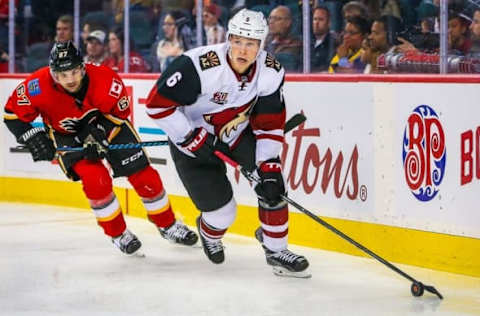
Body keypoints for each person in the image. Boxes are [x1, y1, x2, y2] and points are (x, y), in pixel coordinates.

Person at [145, 8, 310, 278]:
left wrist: (268, 164)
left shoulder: (270, 71)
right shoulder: (198, 65)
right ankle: (209, 233)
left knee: (273, 187)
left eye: (251, 43)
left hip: (236, 134)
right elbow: (156, 106)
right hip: (192, 145)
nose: (242, 50)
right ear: (229, 38)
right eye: (238, 41)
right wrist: (189, 136)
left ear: (261, 44)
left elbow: (269, 125)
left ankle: (276, 250)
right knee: (223, 215)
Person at [3, 41, 198, 256]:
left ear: (83, 67)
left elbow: (119, 116)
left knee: (145, 177)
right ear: (53, 74)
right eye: (62, 74)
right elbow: (12, 115)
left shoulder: (106, 79)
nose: (69, 80)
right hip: (66, 136)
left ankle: (168, 225)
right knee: (96, 181)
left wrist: (99, 135)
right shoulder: (37, 85)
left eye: (74, 72)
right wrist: (33, 136)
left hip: (109, 127)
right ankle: (118, 234)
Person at [264, 5, 302, 72]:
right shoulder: (264, 42)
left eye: (277, 19)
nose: (271, 22)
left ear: (288, 22)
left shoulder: (295, 44)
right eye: (270, 18)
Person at [311, 5, 338, 72]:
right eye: (315, 19)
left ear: (329, 23)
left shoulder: (334, 44)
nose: (316, 23)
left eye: (320, 19)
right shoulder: (306, 43)